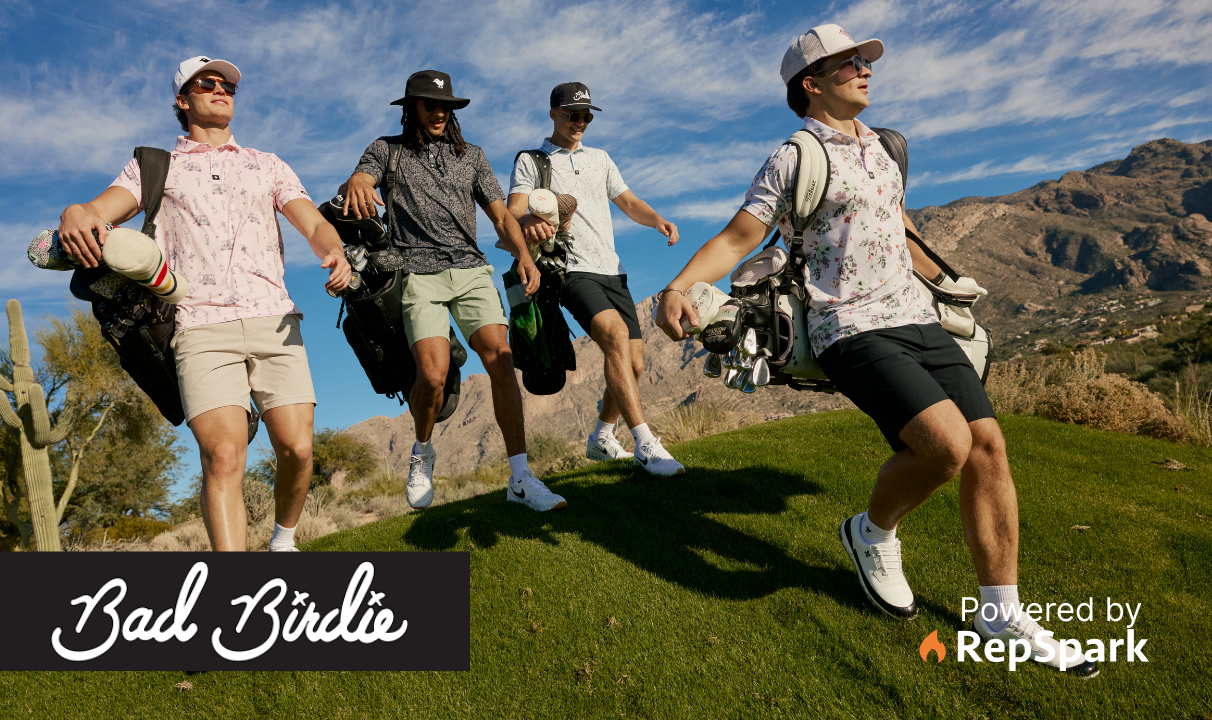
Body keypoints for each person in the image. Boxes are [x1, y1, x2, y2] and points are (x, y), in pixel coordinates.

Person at [654, 25, 1097, 676]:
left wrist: (946, 281)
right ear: (811, 83)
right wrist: (676, 288)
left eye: (864, 59)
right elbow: (737, 237)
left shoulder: (884, 148)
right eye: (848, 63)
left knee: (989, 446)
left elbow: (899, 226)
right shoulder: (795, 156)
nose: (865, 68)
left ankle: (1000, 612)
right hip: (849, 326)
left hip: (918, 317)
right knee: (947, 446)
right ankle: (871, 532)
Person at [57, 56, 352, 552]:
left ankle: (283, 541)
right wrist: (74, 212)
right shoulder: (155, 167)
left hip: (274, 318)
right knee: (223, 456)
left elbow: (314, 224)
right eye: (207, 84)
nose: (221, 90)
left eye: (228, 86)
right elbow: (97, 209)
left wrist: (335, 251)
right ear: (182, 100)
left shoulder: (268, 164)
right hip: (198, 326)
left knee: (298, 449)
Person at [339, 70, 566, 513]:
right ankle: (422, 451)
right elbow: (361, 179)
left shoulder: (472, 155)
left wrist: (523, 255)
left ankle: (520, 478)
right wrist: (359, 182)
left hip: (471, 270)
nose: (440, 112)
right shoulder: (386, 149)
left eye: (447, 106)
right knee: (432, 377)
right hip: (416, 276)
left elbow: (501, 216)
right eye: (431, 105)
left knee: (501, 359)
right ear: (412, 108)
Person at [506, 82, 685, 475]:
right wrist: (528, 220)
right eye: (573, 115)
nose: (581, 122)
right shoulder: (532, 161)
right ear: (553, 113)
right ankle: (646, 444)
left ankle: (602, 437)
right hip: (570, 269)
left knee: (634, 362)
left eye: (586, 116)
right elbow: (513, 211)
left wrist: (657, 220)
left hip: (612, 270)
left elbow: (628, 201)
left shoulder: (601, 159)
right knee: (614, 336)